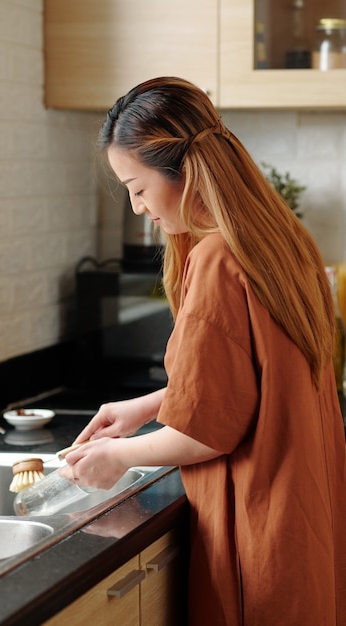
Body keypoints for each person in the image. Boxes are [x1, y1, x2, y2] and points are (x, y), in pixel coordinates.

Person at [60, 77, 346, 625]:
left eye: (138, 187)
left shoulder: (216, 259)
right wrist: (145, 407)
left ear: (183, 173)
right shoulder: (283, 241)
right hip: (306, 523)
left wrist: (115, 458)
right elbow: (253, 382)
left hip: (257, 533)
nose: (137, 208)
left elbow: (205, 431)